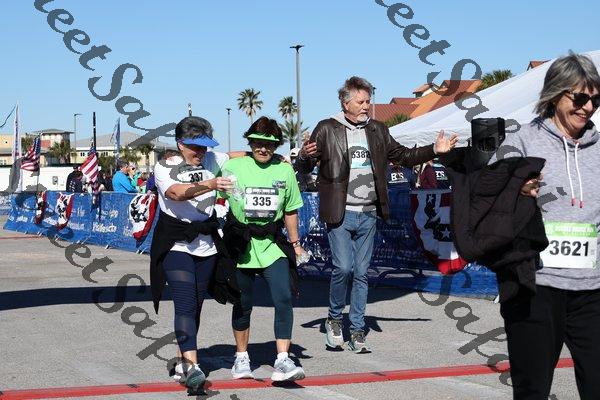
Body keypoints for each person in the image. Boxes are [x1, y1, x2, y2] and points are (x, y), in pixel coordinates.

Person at [297, 76, 457, 352]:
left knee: (361, 272)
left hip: (369, 213)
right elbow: (305, 165)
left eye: (368, 101)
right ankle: (334, 318)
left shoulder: (378, 130)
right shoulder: (326, 128)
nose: (366, 106)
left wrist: (434, 149)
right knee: (343, 268)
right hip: (339, 212)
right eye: (360, 101)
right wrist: (303, 155)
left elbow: (403, 156)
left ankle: (357, 329)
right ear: (345, 103)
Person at [488, 52, 600, 399]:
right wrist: (516, 186)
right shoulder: (522, 141)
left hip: (593, 289)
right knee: (533, 390)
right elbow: (490, 192)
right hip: (536, 286)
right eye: (579, 98)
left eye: (595, 100)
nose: (587, 108)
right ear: (555, 94)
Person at [219, 116, 307, 382]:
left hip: (272, 244)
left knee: (284, 296)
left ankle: (283, 359)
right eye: (257, 142)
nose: (262, 148)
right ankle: (241, 357)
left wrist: (296, 244)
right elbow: (215, 197)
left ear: (276, 146)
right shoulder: (232, 167)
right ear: (250, 142)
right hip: (242, 244)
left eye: (269, 144)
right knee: (243, 303)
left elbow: (290, 211)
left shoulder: (285, 170)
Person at [149, 116, 232, 394]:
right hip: (176, 244)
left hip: (206, 245)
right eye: (196, 147)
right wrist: (211, 184)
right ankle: (193, 368)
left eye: (205, 146)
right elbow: (176, 193)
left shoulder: (212, 159)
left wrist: (276, 155)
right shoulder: (165, 166)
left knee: (195, 306)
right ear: (180, 144)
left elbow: (238, 156)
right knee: (184, 303)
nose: (201, 152)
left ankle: (183, 361)